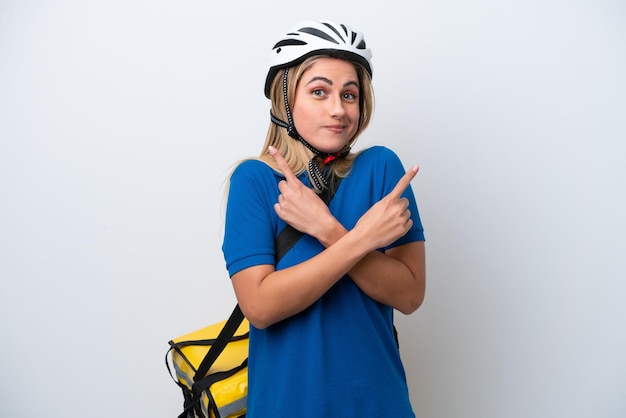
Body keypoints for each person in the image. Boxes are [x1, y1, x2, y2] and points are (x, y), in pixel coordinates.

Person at [222, 19, 426, 417]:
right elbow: (260, 306)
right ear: (285, 101)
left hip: (380, 405)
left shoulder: (381, 169)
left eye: (349, 95)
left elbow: (410, 295)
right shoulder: (255, 181)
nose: (338, 109)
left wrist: (328, 229)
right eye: (319, 92)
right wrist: (359, 239)